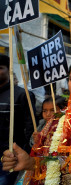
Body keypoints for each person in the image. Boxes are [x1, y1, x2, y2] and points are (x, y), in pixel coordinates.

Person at [0, 54, 36, 185]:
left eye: (0, 68)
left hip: (11, 157)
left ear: (8, 69)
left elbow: (30, 127)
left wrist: (24, 152)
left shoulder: (22, 94)